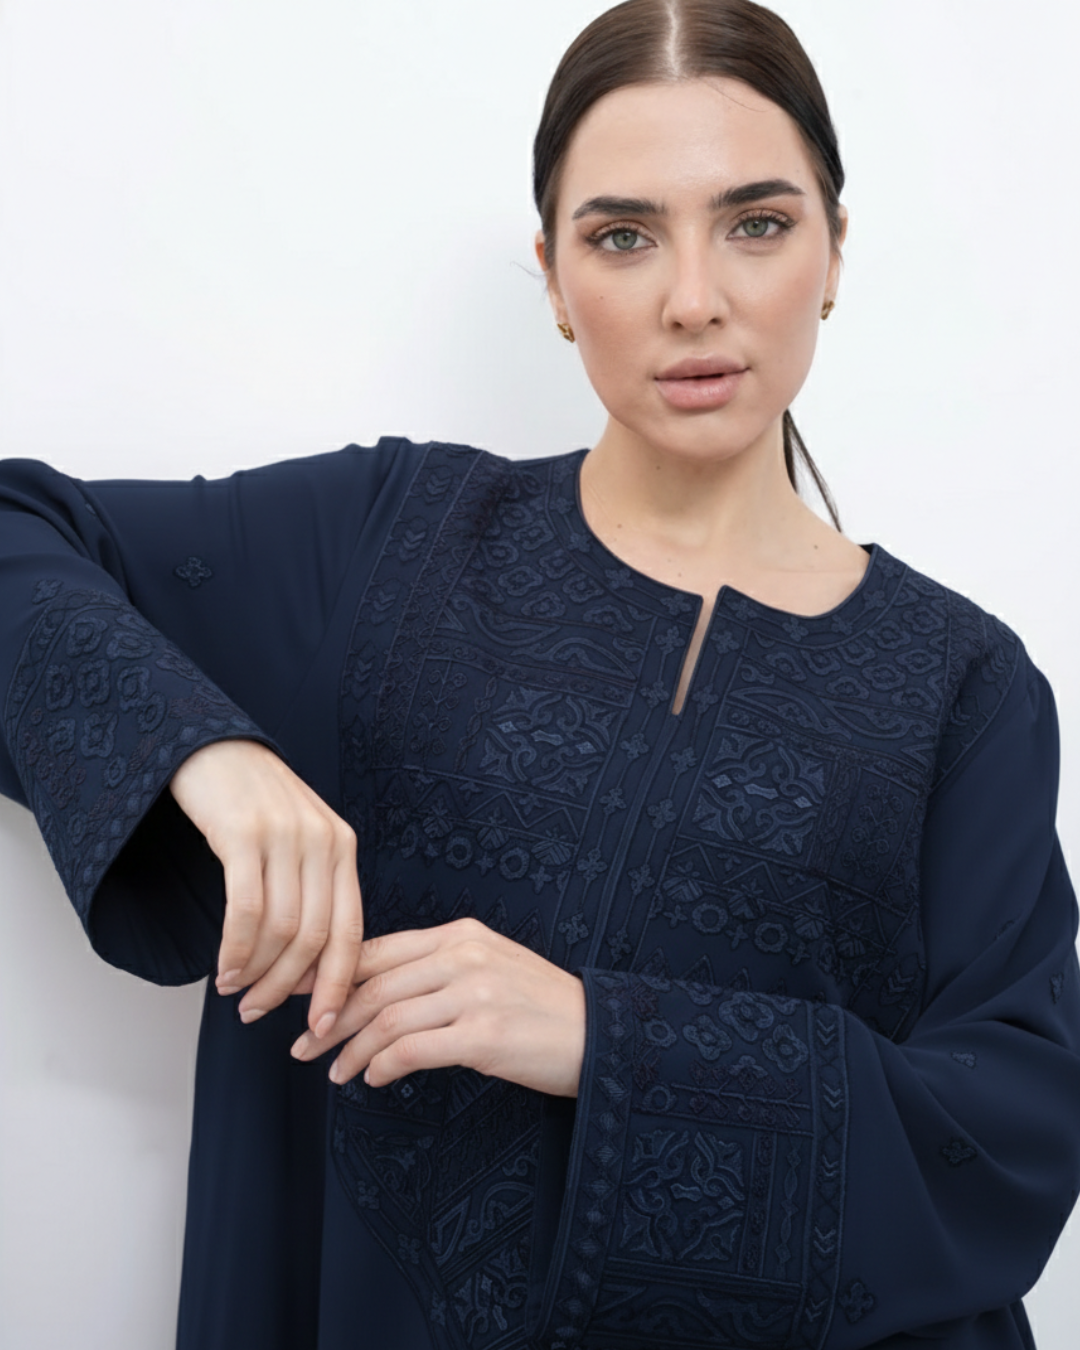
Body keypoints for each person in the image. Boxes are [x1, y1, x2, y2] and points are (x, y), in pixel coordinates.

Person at [1, 0, 1078, 1346]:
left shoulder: (960, 688)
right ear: (556, 281)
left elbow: (1008, 1134)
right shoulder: (386, 542)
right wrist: (204, 752)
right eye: (624, 235)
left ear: (835, 252)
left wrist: (599, 1040)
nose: (696, 298)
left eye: (756, 223)